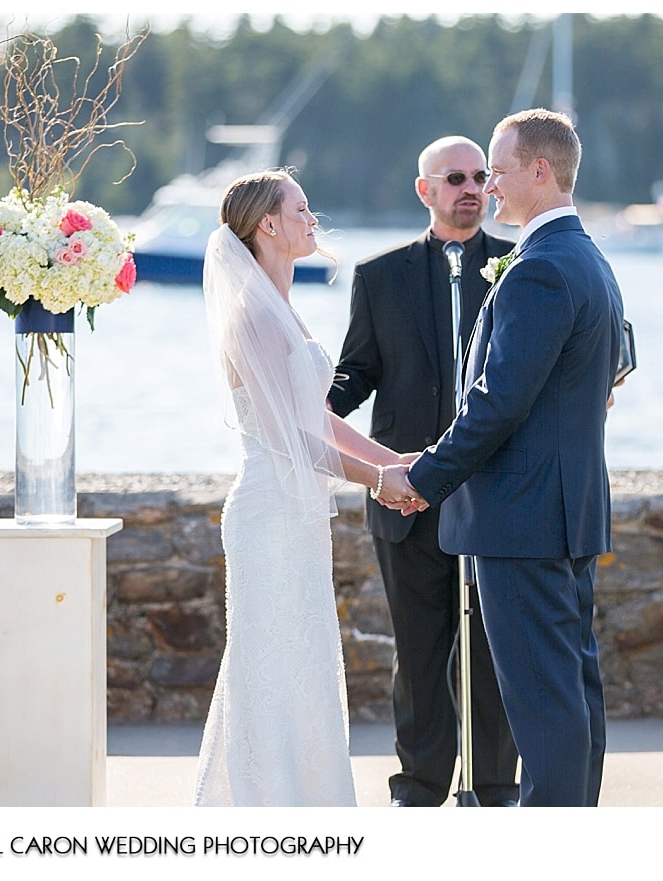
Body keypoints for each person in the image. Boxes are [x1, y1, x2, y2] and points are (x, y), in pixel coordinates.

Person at [382, 109, 625, 807]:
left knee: (545, 706)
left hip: (522, 520)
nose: (488, 187)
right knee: (572, 694)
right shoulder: (588, 259)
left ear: (540, 173)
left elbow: (496, 404)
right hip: (563, 511)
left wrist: (422, 478)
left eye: (499, 171)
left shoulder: (540, 270)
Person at [193, 169, 410, 807]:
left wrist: (392, 459)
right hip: (268, 512)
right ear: (268, 224)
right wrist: (380, 481)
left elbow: (316, 419)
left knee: (305, 665)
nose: (313, 219)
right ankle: (266, 813)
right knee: (269, 667)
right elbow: (290, 440)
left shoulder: (281, 308)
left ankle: (309, 808)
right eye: (301, 208)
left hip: (297, 511)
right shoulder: (253, 318)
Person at [328, 136, 520, 808]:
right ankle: (419, 787)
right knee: (418, 651)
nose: (471, 187)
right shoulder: (379, 275)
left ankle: (496, 786)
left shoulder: (520, 265)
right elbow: (359, 371)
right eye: (456, 178)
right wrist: (305, 406)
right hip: (406, 497)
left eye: (480, 177)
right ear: (426, 190)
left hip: (495, 497)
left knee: (493, 654)